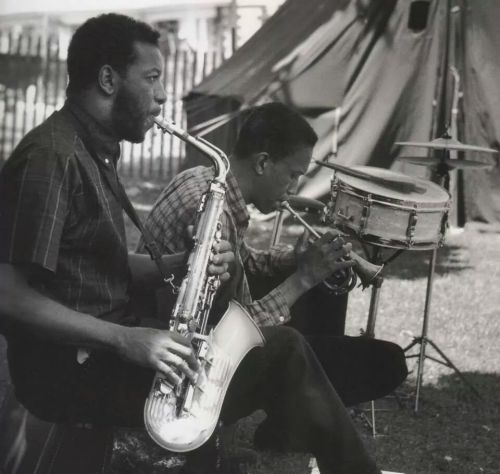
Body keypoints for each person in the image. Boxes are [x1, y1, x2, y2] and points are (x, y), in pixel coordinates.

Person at [0, 11, 234, 465]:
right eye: (152, 78)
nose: (164, 95)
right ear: (108, 79)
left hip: (97, 350)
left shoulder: (93, 149)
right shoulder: (52, 157)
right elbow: (7, 295)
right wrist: (127, 341)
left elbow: (93, 263)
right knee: (277, 359)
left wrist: (186, 262)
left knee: (262, 361)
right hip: (66, 373)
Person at [139, 102, 408, 456]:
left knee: (327, 284)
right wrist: (303, 278)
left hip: (196, 325)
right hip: (194, 361)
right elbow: (229, 338)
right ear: (263, 163)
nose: (294, 186)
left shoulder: (206, 179)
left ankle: (292, 418)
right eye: (292, 175)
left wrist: (300, 259)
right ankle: (294, 415)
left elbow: (247, 263)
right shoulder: (211, 213)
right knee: (387, 362)